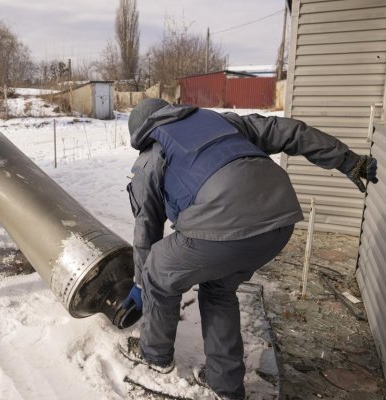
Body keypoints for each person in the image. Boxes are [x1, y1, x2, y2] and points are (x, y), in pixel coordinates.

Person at [118, 99, 379, 399]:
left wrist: (142, 282)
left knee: (158, 269)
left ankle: (154, 355)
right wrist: (347, 160)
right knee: (218, 288)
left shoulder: (150, 155)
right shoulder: (220, 121)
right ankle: (225, 386)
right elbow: (287, 131)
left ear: (141, 133)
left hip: (223, 224)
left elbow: (146, 228)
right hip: (279, 220)